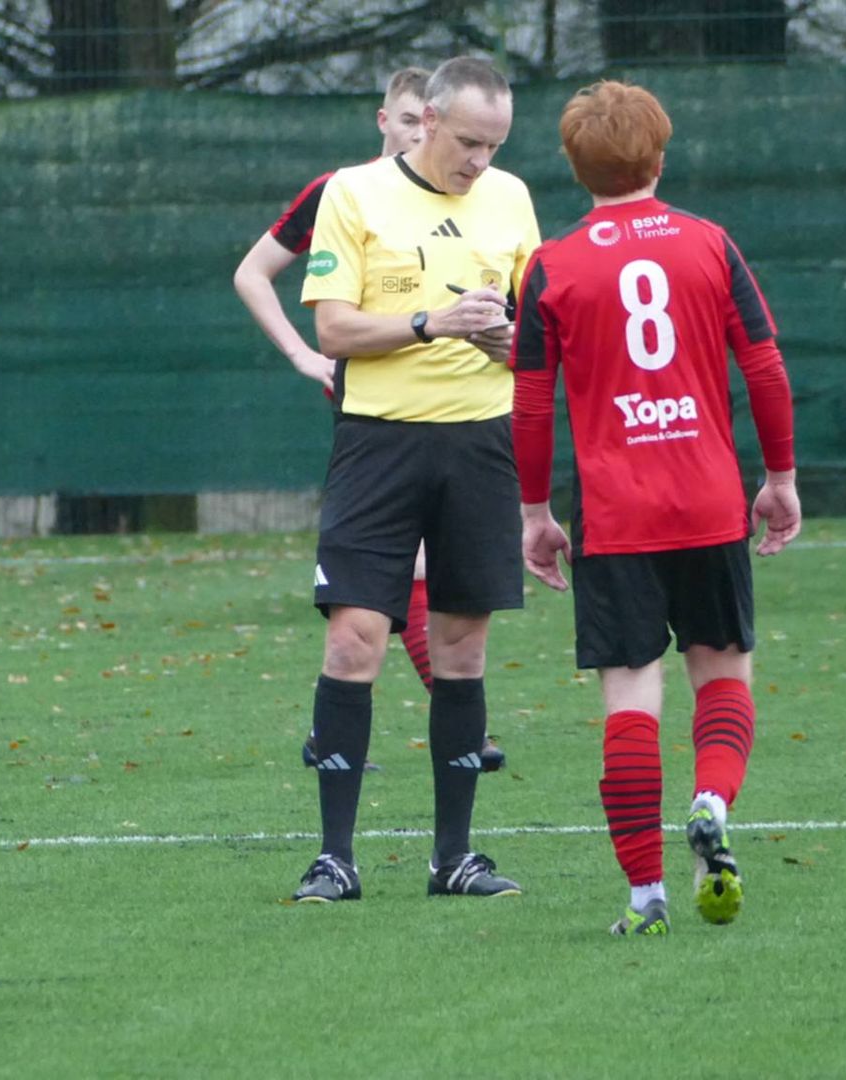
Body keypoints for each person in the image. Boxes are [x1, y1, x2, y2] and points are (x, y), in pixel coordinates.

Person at [510, 80, 801, 936]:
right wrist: (780, 478)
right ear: (660, 158)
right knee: (723, 672)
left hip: (616, 516)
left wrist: (535, 513)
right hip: (709, 502)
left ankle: (645, 898)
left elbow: (530, 404)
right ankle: (712, 800)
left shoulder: (552, 265)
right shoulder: (710, 243)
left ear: (575, 167)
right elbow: (765, 366)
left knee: (631, 696)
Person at [289, 56, 539, 903]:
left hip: (481, 444)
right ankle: (334, 858)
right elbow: (333, 331)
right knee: (353, 640)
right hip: (378, 443)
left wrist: (509, 339)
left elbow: (539, 327)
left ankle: (454, 859)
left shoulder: (511, 198)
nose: (480, 160)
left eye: (495, 145)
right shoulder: (354, 193)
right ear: (427, 120)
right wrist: (434, 322)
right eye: (469, 141)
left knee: (462, 646)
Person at [232, 67, 505, 775]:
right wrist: (302, 354)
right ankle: (412, 727)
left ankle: (416, 727)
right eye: (406, 121)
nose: (418, 134)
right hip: (373, 413)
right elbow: (252, 272)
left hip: (459, 422)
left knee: (417, 578)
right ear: (385, 121)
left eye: (426, 122)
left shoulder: (478, 200)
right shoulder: (343, 194)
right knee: (388, 582)